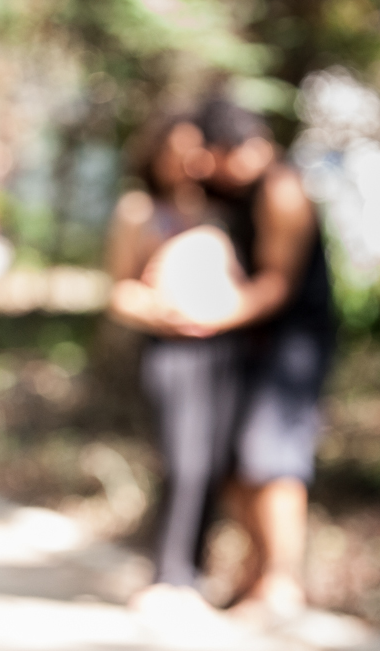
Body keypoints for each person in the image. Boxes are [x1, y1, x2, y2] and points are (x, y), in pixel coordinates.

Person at [192, 98, 335, 619]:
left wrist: (210, 315)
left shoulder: (281, 189)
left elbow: (278, 283)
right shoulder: (235, 195)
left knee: (273, 459)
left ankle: (281, 582)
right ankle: (255, 572)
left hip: (291, 344)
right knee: (238, 459)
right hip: (249, 342)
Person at [105, 115, 249, 619]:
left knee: (211, 462)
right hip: (169, 350)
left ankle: (193, 573)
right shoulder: (138, 209)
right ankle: (166, 574)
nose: (185, 161)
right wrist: (163, 310)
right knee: (182, 461)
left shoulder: (221, 209)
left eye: (195, 150)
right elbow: (119, 290)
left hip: (222, 350)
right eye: (174, 149)